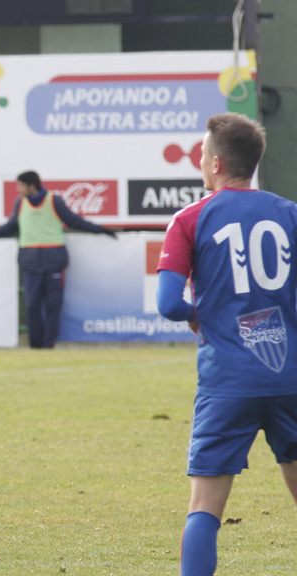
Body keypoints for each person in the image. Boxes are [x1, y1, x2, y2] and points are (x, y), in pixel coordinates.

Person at [156, 113, 297, 576]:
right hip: (290, 375)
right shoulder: (290, 214)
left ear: (216, 163)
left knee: (204, 508)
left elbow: (168, 304)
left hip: (228, 382)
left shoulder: (190, 219)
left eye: (202, 154)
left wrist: (199, 315)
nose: (199, 161)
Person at [0, 171, 116, 349]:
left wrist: (102, 229)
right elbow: (10, 227)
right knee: (32, 305)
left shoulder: (54, 201)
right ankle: (35, 345)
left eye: (21, 185)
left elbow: (75, 221)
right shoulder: (20, 203)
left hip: (53, 259)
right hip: (30, 261)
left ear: (31, 186)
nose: (18, 189)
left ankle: (49, 344)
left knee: (53, 305)